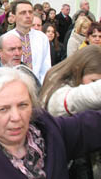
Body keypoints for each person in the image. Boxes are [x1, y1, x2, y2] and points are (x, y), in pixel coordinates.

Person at [0, 67, 101, 179]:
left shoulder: (50, 130)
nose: (16, 117)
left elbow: (92, 126)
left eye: (23, 105)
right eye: (3, 109)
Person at [40, 45, 101, 178]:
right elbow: (80, 97)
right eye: (94, 81)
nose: (94, 85)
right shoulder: (58, 95)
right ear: (79, 70)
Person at [6, 0, 51, 84]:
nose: (28, 16)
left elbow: (46, 67)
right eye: (23, 13)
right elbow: (3, 68)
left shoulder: (42, 38)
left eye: (30, 12)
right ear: (14, 16)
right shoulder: (6, 38)